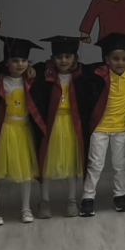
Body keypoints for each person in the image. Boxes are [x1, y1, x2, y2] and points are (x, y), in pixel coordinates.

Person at [77, 33, 125, 217]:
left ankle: (120, 196)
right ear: (107, 59)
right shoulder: (98, 74)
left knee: (120, 165)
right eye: (115, 58)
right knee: (95, 165)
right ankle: (88, 198)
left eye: (124, 59)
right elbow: (76, 70)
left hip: (121, 129)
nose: (120, 62)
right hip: (99, 128)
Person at [0, 37, 45, 226]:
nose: (20, 64)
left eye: (24, 60)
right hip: (3, 132)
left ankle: (26, 208)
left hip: (23, 131)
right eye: (15, 60)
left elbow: (47, 68)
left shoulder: (31, 80)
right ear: (7, 62)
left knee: (26, 173)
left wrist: (32, 69)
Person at [32, 36, 86, 218]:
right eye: (59, 57)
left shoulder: (80, 76)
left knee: (72, 164)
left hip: (71, 125)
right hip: (52, 125)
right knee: (47, 164)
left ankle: (71, 200)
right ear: (52, 59)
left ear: (75, 58)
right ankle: (44, 201)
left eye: (67, 57)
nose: (63, 60)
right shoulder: (45, 75)